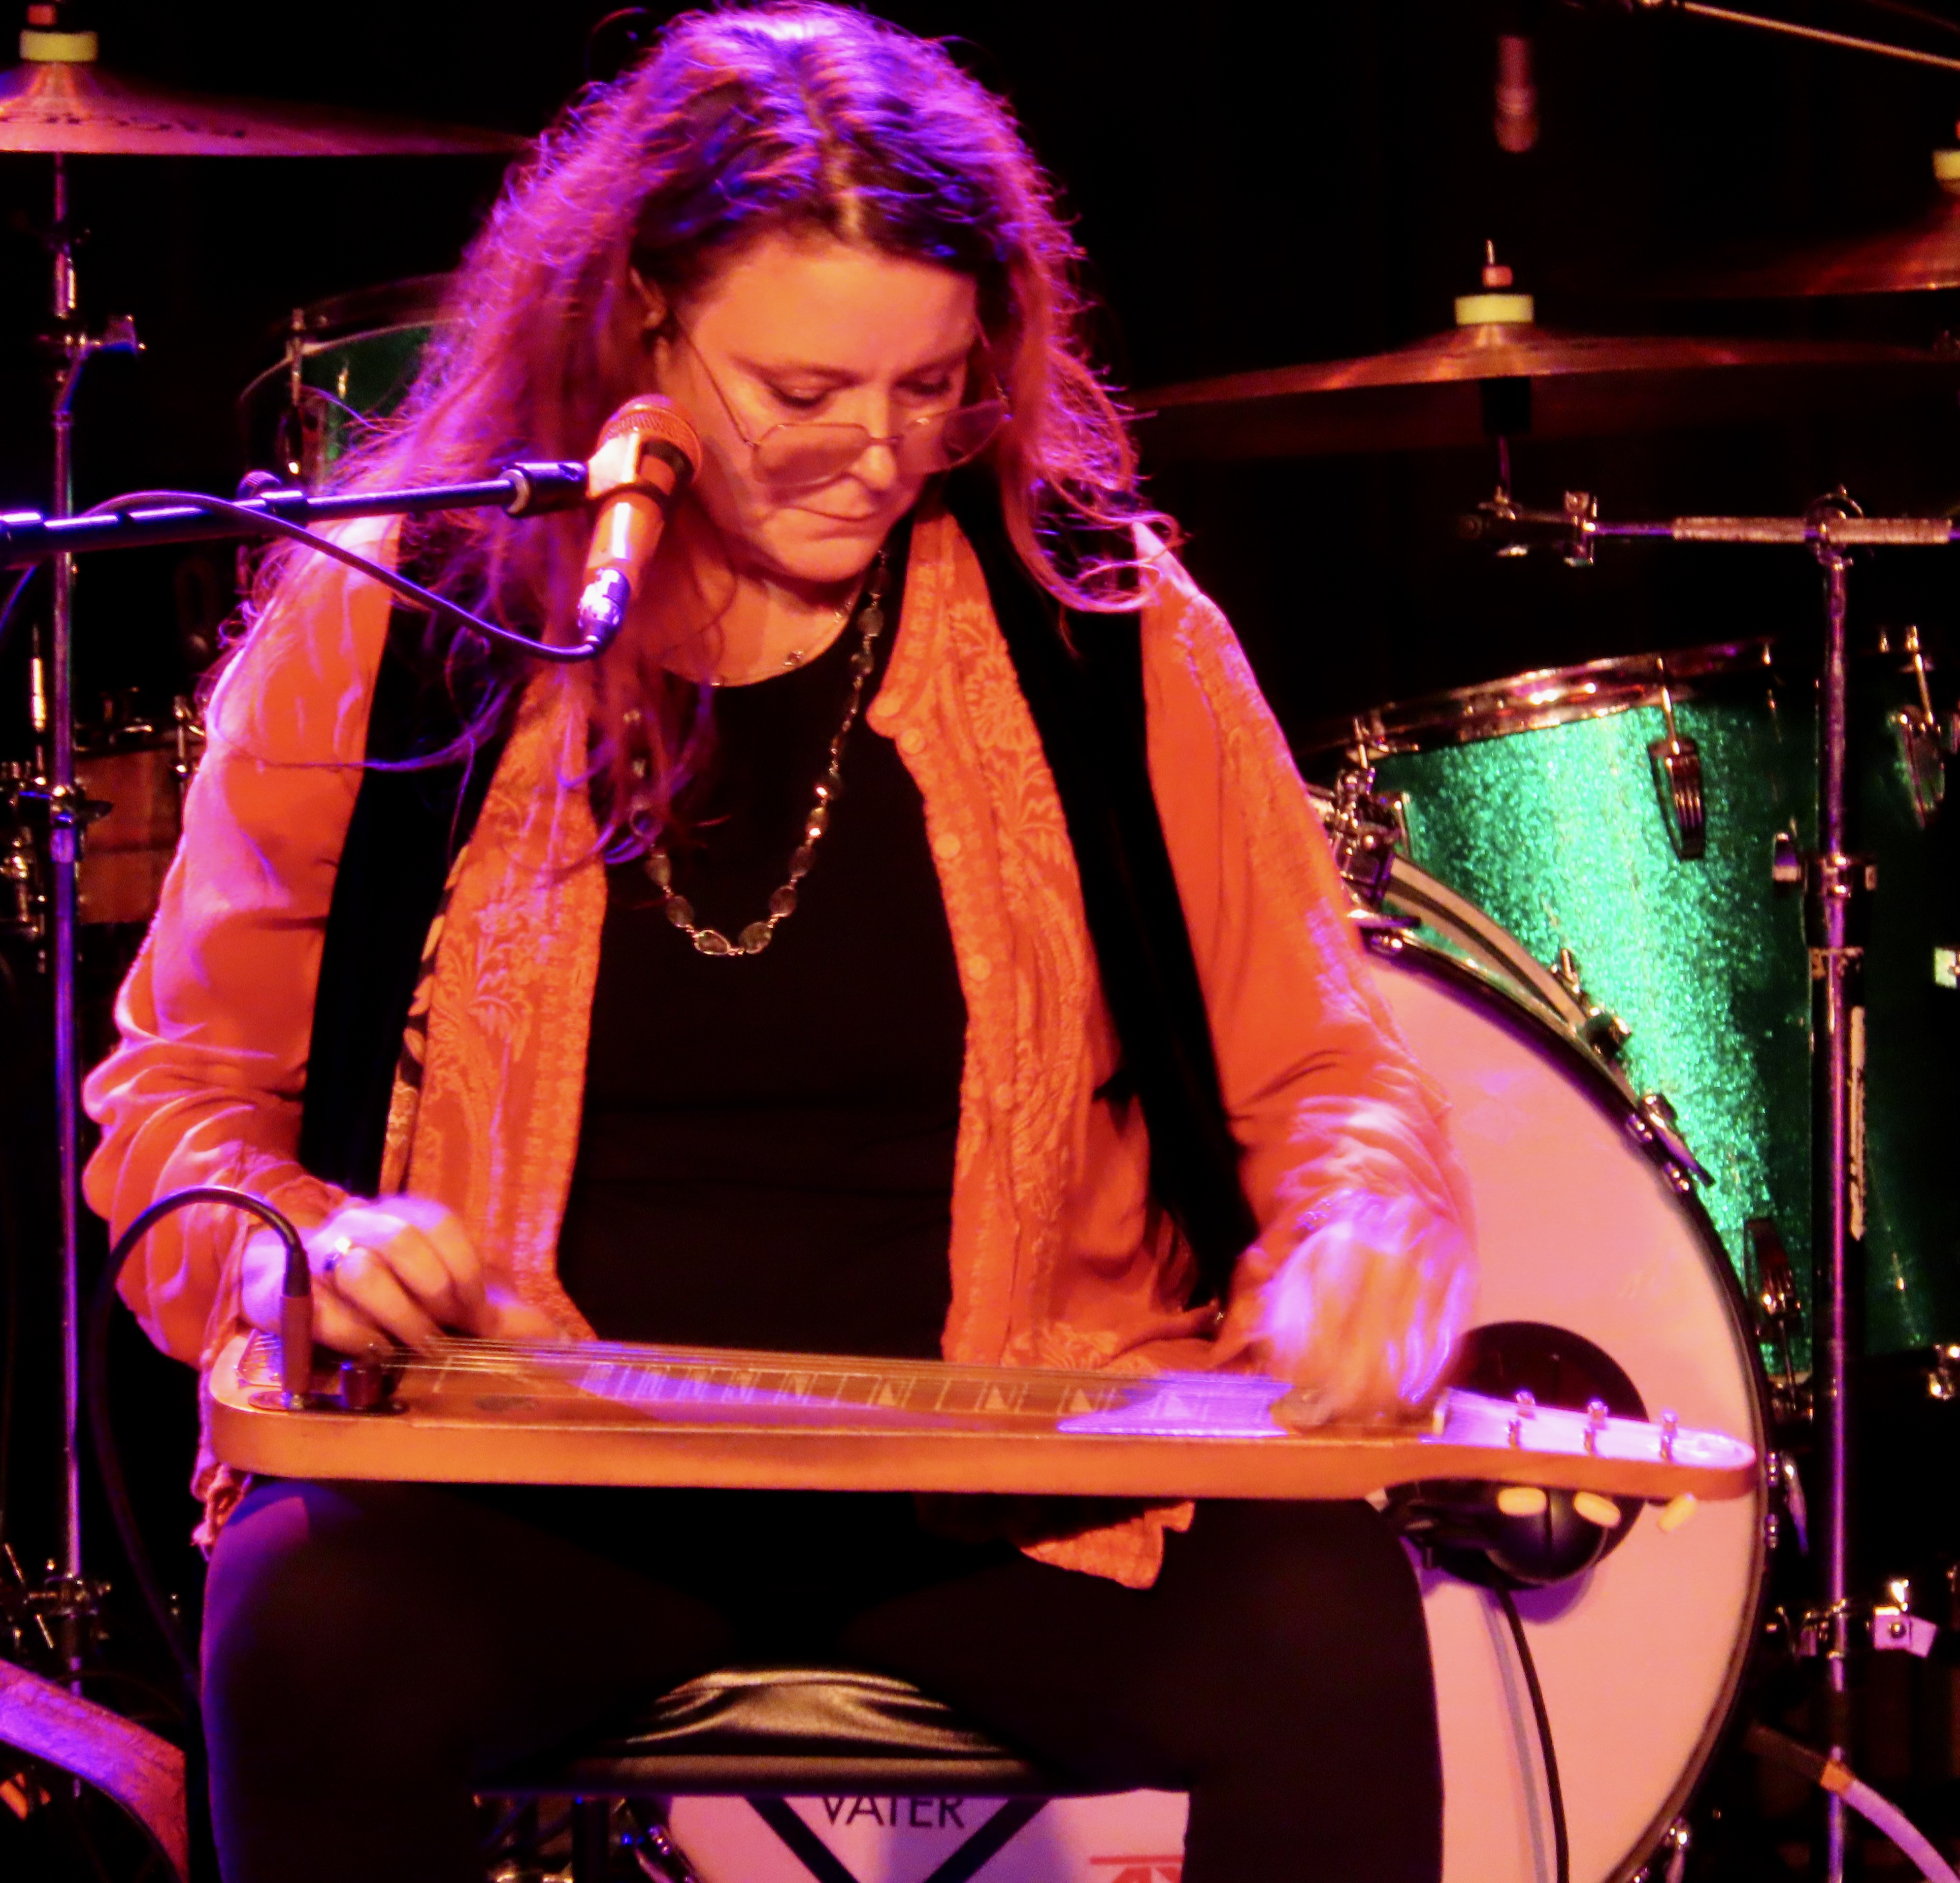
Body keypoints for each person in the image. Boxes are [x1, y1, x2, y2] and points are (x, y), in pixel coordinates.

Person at [83, 8, 1475, 1880]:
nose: (877, 452)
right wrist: (302, 1252)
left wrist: (1364, 1230)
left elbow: (1323, 1072)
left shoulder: (1103, 624)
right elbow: (180, 1105)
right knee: (309, 1632)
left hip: (1013, 1495)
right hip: (535, 1486)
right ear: (639, 327)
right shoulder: (404, 611)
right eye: (802, 390)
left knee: (1326, 1624)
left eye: (932, 387)